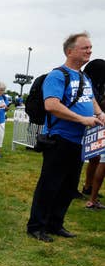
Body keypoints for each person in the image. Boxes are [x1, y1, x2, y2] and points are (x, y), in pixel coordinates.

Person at [26, 32, 105, 241]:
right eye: (85, 48)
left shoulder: (84, 76)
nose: (89, 50)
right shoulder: (58, 75)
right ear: (70, 51)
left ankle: (55, 224)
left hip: (80, 142)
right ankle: (36, 226)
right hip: (60, 139)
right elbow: (51, 105)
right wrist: (82, 119)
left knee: (69, 186)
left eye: (90, 47)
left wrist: (99, 113)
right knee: (50, 184)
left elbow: (91, 99)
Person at [82, 58, 105, 209]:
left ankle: (90, 190)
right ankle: (91, 194)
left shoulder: (89, 83)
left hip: (95, 123)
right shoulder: (91, 85)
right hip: (94, 123)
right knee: (99, 160)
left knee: (97, 159)